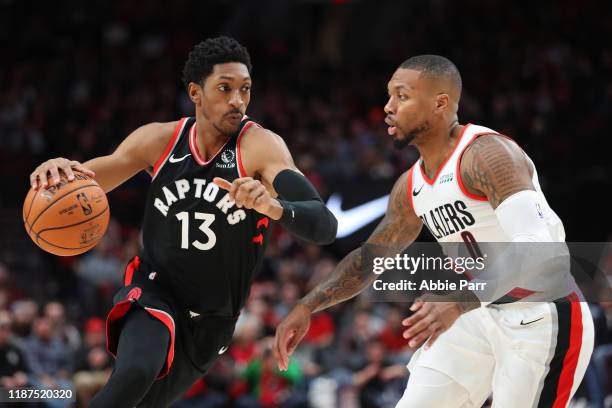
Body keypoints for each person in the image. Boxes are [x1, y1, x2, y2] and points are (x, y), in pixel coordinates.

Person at [29, 36, 337, 408]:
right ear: (196, 92)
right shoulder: (160, 140)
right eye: (225, 89)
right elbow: (86, 182)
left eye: (245, 90)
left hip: (214, 319)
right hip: (156, 289)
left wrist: (275, 207)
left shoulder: (259, 146)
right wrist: (55, 175)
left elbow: (323, 224)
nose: (237, 100)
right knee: (134, 374)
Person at [274, 55, 594, 407]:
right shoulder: (411, 186)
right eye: (389, 95)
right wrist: (308, 305)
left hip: (540, 313)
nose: (387, 107)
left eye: (402, 96)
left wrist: (457, 303)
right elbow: (369, 259)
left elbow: (537, 249)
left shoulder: (487, 155)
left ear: (441, 103)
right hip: (475, 313)